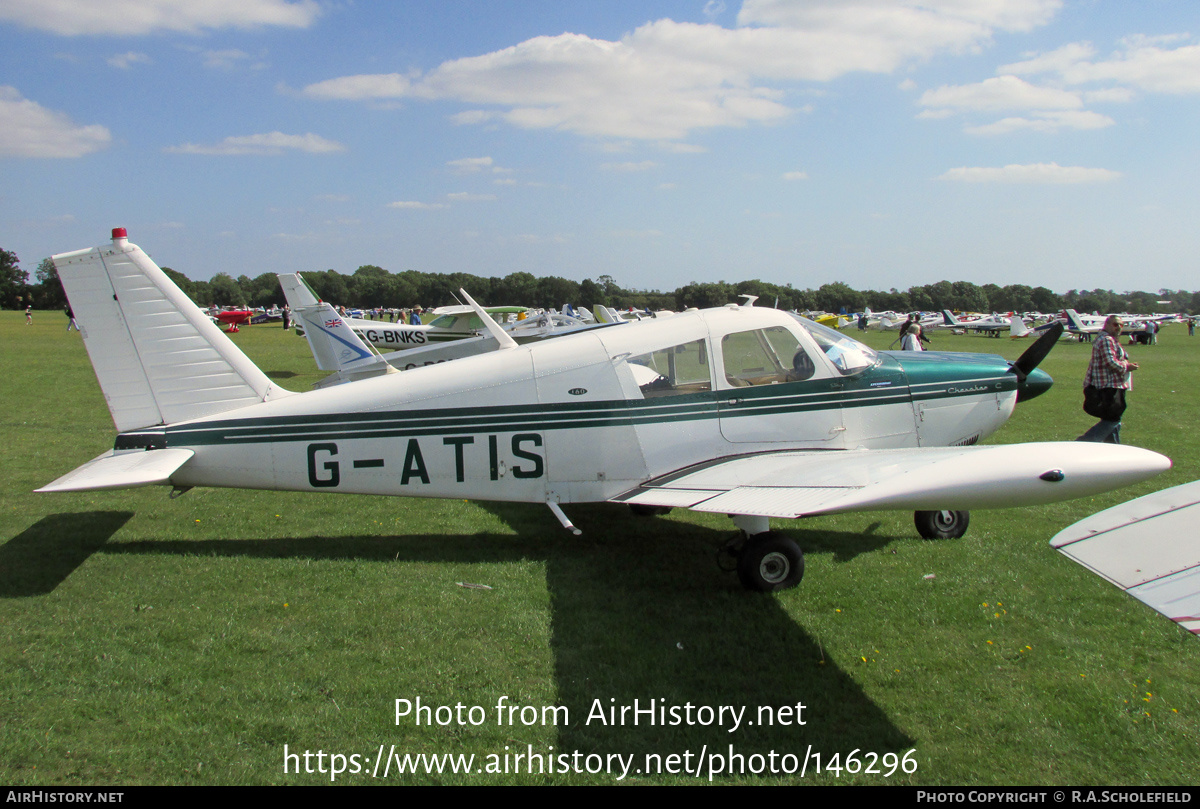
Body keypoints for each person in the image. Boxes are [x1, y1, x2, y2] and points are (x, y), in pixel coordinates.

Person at [1077, 315, 1138, 444]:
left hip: (1111, 384)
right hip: (1107, 386)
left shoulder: (1110, 340)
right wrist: (1127, 366)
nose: (1119, 328)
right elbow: (1110, 362)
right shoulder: (1107, 340)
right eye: (1115, 324)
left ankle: (1113, 447)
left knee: (1114, 419)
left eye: (1121, 325)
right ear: (1107, 325)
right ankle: (1085, 442)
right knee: (1113, 419)